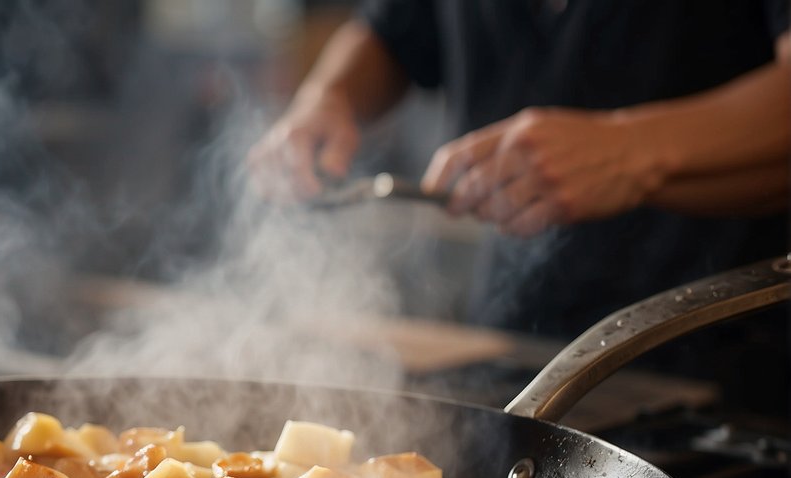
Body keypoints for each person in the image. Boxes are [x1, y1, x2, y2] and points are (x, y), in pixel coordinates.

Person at [248, 1, 790, 346]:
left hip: (724, 349)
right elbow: (391, 32)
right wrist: (326, 97)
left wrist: (629, 149)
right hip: (520, 346)